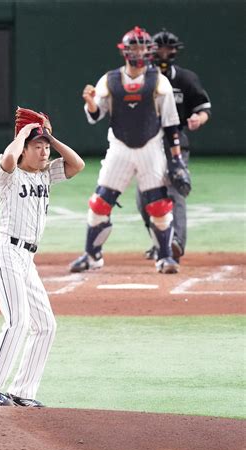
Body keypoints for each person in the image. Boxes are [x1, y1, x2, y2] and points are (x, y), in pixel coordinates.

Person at [0, 108, 85, 407]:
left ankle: (23, 392)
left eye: (45, 146)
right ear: (24, 148)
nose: (45, 151)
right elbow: (8, 159)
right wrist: (23, 134)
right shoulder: (8, 174)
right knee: (17, 322)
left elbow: (78, 164)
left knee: (46, 325)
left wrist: (50, 137)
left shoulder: (46, 173)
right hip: (7, 252)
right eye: (39, 146)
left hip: (27, 259)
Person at [69, 26, 183, 275]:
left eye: (143, 47)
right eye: (134, 47)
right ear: (125, 51)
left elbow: (171, 124)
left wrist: (176, 159)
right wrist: (90, 104)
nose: (139, 52)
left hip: (151, 147)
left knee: (159, 206)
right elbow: (97, 114)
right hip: (119, 147)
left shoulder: (158, 81)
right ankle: (92, 255)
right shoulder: (110, 80)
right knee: (99, 203)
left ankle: (164, 257)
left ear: (149, 50)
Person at [136, 29, 212, 262]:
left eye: (169, 49)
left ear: (175, 51)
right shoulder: (140, 79)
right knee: (143, 198)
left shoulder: (185, 79)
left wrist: (199, 118)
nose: (164, 53)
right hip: (145, 144)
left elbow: (203, 107)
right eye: (160, 48)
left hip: (175, 141)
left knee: (175, 190)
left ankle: (175, 241)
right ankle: (160, 240)